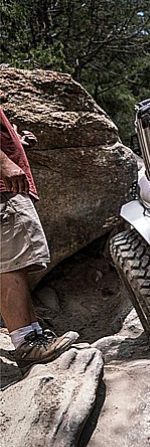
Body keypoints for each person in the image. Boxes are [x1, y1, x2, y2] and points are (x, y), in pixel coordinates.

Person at [0, 106, 78, 372]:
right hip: (3, 189)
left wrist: (16, 143)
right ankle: (26, 342)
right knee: (10, 263)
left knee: (16, 261)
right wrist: (3, 162)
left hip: (6, 187)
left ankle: (34, 335)